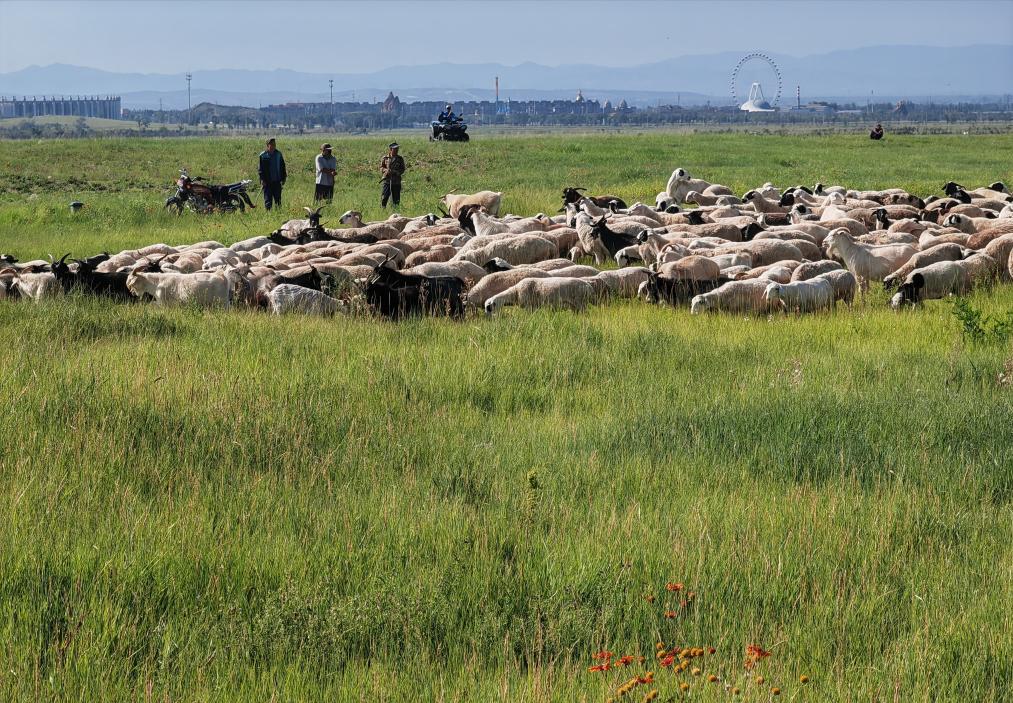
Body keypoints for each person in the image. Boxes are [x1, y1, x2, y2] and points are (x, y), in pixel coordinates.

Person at [258, 138, 287, 210]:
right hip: (267, 182)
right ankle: (268, 216)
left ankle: (278, 215)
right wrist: (262, 179)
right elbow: (260, 169)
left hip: (277, 181)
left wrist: (283, 178)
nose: (274, 146)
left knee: (278, 201)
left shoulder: (278, 154)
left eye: (275, 144)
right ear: (268, 145)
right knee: (268, 201)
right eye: (272, 144)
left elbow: (283, 166)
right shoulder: (263, 155)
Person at [380, 142, 405, 209]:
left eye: (397, 149)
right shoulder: (385, 158)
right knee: (384, 197)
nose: (397, 150)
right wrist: (386, 170)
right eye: (395, 149)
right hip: (387, 181)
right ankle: (383, 209)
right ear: (390, 149)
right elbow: (381, 167)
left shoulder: (400, 159)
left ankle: (396, 211)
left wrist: (396, 172)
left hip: (396, 181)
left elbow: (402, 169)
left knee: (396, 199)